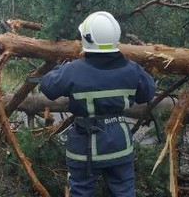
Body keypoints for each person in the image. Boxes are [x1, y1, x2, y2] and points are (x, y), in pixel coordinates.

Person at [39, 11, 156, 197]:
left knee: (81, 191)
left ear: (87, 39)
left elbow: (48, 87)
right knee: (125, 192)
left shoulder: (73, 70)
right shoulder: (132, 69)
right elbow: (148, 92)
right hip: (119, 144)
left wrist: (59, 68)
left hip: (84, 145)